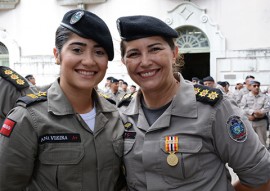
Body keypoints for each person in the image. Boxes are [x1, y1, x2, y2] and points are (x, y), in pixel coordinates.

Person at [116, 15, 270, 190]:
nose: (145, 62)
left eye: (155, 49)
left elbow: (260, 179)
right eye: (134, 54)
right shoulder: (122, 112)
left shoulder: (214, 108)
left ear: (174, 54)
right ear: (124, 62)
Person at [0, 9, 125, 191]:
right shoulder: (28, 118)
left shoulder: (115, 115)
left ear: (107, 62)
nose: (89, 61)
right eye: (77, 50)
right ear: (57, 55)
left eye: (99, 52)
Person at [241, 80, 270, 146]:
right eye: (254, 86)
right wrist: (253, 112)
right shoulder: (245, 97)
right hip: (249, 122)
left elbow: (267, 108)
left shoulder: (264, 97)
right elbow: (242, 108)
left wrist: (260, 112)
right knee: (249, 141)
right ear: (250, 87)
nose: (256, 87)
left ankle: (263, 156)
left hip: (261, 122)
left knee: (262, 141)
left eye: (258, 86)